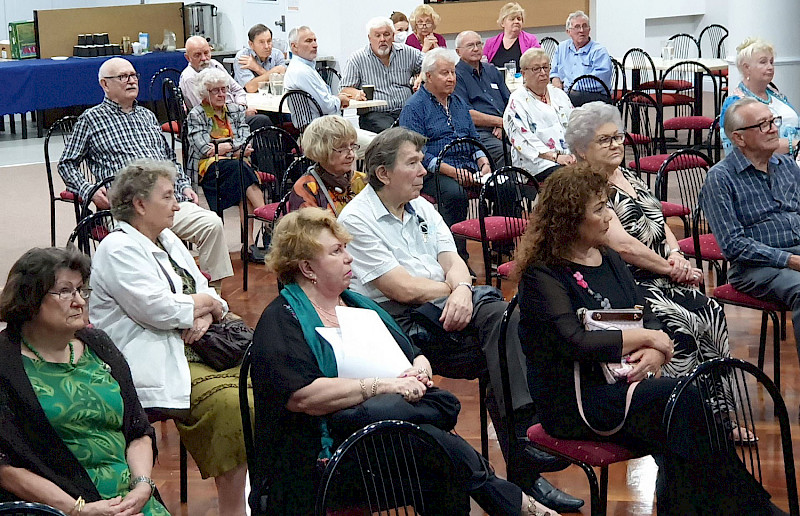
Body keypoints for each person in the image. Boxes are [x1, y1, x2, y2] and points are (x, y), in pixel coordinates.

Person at [338, 127, 585, 513]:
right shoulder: (357, 218)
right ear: (383, 173)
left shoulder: (421, 204)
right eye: (413, 163)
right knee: (504, 334)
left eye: (422, 162)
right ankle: (526, 450)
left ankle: (518, 463)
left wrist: (463, 289)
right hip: (396, 326)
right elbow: (400, 287)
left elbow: (452, 259)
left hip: (448, 307)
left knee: (509, 326)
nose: (423, 170)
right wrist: (457, 291)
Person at [252, 206, 557, 516]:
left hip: (378, 440)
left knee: (438, 459)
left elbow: (413, 353)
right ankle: (516, 503)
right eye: (336, 251)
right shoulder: (282, 319)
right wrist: (384, 385)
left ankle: (510, 501)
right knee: (437, 450)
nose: (349, 258)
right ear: (306, 267)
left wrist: (419, 370)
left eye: (345, 248)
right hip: (320, 457)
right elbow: (303, 398)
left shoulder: (358, 305)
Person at [514, 164, 779, 515]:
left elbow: (645, 310)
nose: (610, 215)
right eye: (599, 209)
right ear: (569, 220)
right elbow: (574, 342)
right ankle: (752, 507)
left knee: (680, 424)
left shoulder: (607, 257)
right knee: (681, 404)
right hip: (577, 399)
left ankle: (722, 507)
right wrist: (649, 337)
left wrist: (655, 353)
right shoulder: (541, 274)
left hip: (627, 382)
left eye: (607, 204)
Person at [565, 102, 745, 435]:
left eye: (617, 136)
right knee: (683, 324)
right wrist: (670, 268)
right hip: (629, 284)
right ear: (581, 149)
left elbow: (660, 221)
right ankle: (683, 420)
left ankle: (720, 414)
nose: (616, 144)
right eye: (604, 140)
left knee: (712, 311)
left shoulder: (628, 174)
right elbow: (623, 246)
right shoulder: (587, 187)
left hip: (663, 272)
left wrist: (677, 255)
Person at [89, 160, 249, 516]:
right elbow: (159, 310)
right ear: (140, 205)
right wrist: (206, 304)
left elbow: (207, 291)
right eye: (168, 197)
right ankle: (233, 509)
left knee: (271, 380)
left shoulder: (167, 238)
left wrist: (207, 309)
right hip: (150, 358)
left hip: (198, 345)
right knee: (231, 406)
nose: (177, 204)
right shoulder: (117, 248)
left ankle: (265, 493)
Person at [0, 247, 169, 516]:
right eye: (65, 291)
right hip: (59, 507)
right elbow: (5, 466)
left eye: (81, 290)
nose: (79, 301)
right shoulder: (6, 364)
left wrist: (141, 486)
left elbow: (138, 430)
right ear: (30, 298)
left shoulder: (99, 345)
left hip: (130, 500)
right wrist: (78, 509)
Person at [57, 57, 233, 289]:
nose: (131, 81)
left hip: (165, 202)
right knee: (154, 244)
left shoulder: (147, 117)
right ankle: (166, 298)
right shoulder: (91, 120)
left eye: (133, 76)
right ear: (105, 84)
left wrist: (183, 186)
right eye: (123, 77)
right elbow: (66, 164)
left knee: (212, 223)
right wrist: (88, 189)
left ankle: (210, 293)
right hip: (127, 210)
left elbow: (169, 159)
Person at [702, 97, 800, 372]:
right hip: (755, 267)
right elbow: (734, 246)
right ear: (739, 138)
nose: (773, 129)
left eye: (773, 122)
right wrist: (790, 260)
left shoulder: (787, 165)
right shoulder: (720, 178)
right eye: (763, 124)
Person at [399, 48, 491, 262]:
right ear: (428, 76)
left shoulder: (458, 103)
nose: (451, 78)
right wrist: (452, 172)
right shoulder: (414, 108)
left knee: (503, 186)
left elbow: (474, 137)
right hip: (433, 172)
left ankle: (500, 250)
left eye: (453, 72)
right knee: (455, 194)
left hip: (467, 166)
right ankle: (456, 258)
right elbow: (417, 153)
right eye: (444, 73)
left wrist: (483, 161)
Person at [186, 67, 267, 263]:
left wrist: (225, 148)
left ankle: (248, 245)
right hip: (209, 169)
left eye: (224, 89)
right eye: (216, 90)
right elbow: (205, 149)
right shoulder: (196, 114)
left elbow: (248, 140)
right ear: (205, 93)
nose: (222, 94)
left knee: (240, 174)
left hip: (235, 166)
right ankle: (267, 221)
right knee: (240, 169)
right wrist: (234, 148)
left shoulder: (235, 110)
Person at [341, 17, 424, 133]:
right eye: (377, 35)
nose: (382, 39)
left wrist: (421, 76)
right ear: (369, 38)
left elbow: (429, 64)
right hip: (375, 114)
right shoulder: (357, 59)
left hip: (407, 110)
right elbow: (344, 89)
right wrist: (357, 94)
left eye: (386, 34)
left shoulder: (408, 53)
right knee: (394, 135)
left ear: (393, 36)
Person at [504, 48, 575, 182]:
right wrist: (556, 157)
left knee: (596, 166)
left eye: (545, 67)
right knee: (570, 177)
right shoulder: (517, 100)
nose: (542, 73)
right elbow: (522, 140)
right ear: (523, 73)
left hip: (568, 156)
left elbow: (575, 125)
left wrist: (577, 152)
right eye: (536, 69)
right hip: (536, 161)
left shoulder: (558, 94)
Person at [720, 37, 799, 157]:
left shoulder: (776, 95)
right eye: (763, 62)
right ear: (746, 68)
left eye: (771, 62)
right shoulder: (736, 103)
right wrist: (793, 144)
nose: (770, 67)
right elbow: (744, 148)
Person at [181, 36, 272, 132]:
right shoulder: (190, 78)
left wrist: (241, 106)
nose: (204, 58)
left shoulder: (214, 64)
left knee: (272, 117)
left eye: (206, 53)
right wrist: (241, 112)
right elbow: (206, 110)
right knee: (262, 121)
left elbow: (237, 89)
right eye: (197, 55)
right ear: (188, 57)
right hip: (215, 124)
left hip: (234, 112)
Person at [288, 115, 367, 215]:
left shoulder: (363, 180)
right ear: (322, 150)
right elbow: (308, 229)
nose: (351, 154)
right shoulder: (306, 188)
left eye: (352, 145)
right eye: (341, 148)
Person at [455, 30, 511, 167]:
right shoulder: (456, 76)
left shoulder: (492, 70)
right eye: (470, 45)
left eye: (478, 44)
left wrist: (505, 125)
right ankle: (508, 187)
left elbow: (510, 102)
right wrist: (499, 122)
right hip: (479, 133)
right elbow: (467, 114)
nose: (475, 49)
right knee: (508, 153)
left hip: (506, 128)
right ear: (458, 52)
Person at [549, 11, 613, 107]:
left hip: (595, 95)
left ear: (589, 30)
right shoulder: (562, 48)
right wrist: (556, 81)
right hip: (568, 92)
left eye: (584, 26)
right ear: (568, 32)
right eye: (577, 27)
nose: (581, 30)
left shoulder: (599, 51)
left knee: (570, 98)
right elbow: (554, 72)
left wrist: (571, 88)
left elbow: (600, 80)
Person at [284, 26, 350, 116]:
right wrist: (340, 100)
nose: (315, 45)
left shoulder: (303, 67)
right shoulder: (301, 71)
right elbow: (325, 107)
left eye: (315, 40)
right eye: (309, 41)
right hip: (318, 127)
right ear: (294, 46)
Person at [483, 2, 541, 71]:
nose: (516, 21)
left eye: (519, 19)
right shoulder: (490, 43)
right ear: (502, 23)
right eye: (512, 19)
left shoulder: (531, 41)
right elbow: (483, 67)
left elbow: (538, 64)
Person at [233, 24, 287, 93]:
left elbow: (283, 84)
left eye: (269, 41)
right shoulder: (243, 56)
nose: (267, 46)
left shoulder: (277, 54)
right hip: (247, 100)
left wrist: (257, 68)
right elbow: (251, 88)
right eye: (261, 42)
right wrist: (275, 71)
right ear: (251, 44)